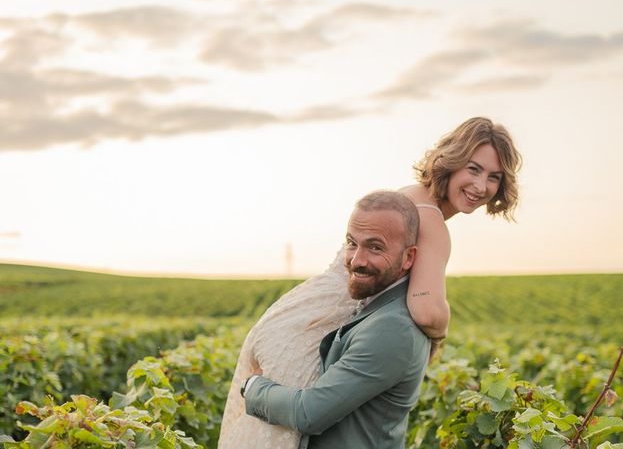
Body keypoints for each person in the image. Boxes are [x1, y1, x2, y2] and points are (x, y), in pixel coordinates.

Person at [218, 116, 522, 448]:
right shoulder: (432, 219)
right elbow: (426, 310)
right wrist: (437, 335)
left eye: (494, 177)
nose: (481, 186)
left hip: (306, 314)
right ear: (451, 161)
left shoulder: (408, 195)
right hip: (328, 320)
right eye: (473, 169)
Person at [243, 190, 428, 448]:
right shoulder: (375, 308)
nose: (356, 260)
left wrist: (252, 386)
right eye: (352, 243)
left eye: (375, 247)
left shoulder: (393, 328)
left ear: (408, 257)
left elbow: (308, 413)